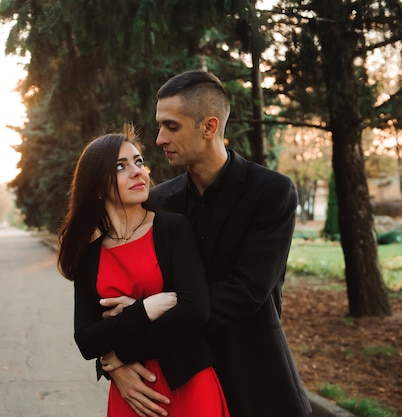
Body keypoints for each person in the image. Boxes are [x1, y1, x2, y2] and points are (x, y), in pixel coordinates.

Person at [101, 71, 313, 417]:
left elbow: (246, 292)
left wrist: (144, 318)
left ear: (209, 127)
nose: (158, 139)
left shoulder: (271, 192)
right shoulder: (158, 202)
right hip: (177, 383)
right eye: (159, 126)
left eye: (171, 126)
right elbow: (118, 291)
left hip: (256, 381)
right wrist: (112, 362)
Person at [57, 127, 230, 417]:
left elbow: (194, 312)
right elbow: (86, 340)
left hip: (188, 385)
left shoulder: (173, 228)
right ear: (97, 186)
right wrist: (146, 309)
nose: (137, 172)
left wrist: (120, 352)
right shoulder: (91, 256)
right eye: (120, 166)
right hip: (131, 393)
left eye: (138, 162)